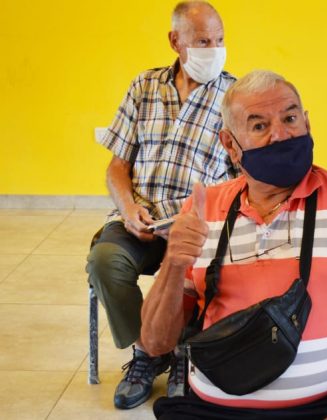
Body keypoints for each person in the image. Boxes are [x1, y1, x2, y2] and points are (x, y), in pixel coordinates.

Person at [140, 70, 327, 420]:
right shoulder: (203, 210)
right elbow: (155, 343)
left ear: (307, 123)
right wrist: (173, 264)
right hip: (211, 410)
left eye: (290, 118)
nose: (280, 135)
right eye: (259, 126)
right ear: (230, 145)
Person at [85, 1, 236, 410]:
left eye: (220, 40)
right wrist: (129, 208)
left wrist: (199, 217)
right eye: (203, 41)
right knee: (104, 262)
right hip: (139, 218)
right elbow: (117, 164)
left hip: (197, 224)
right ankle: (148, 353)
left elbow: (245, 180)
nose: (215, 49)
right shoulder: (144, 86)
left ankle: (181, 354)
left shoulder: (235, 96)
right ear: (176, 41)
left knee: (198, 277)